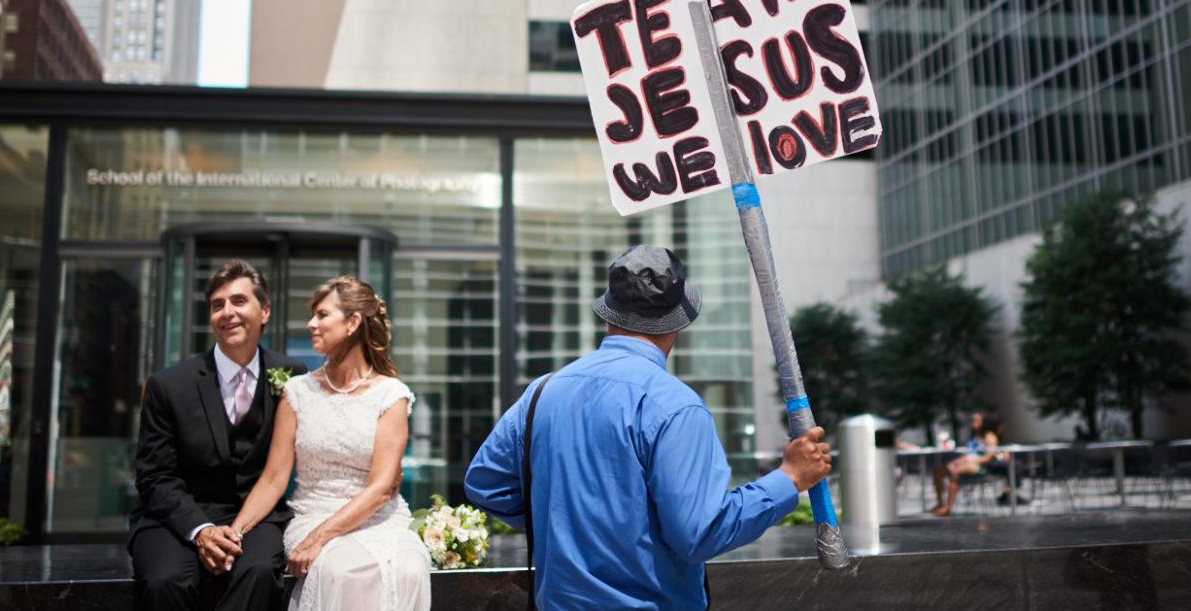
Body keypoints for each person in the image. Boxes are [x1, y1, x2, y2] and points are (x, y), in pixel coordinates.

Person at [464, 244, 832, 610]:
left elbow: (486, 484)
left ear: (608, 313)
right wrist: (789, 479)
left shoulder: (542, 392)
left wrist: (561, 521)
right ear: (678, 322)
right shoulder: (675, 406)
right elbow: (699, 532)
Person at [232, 275, 431, 611]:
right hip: (314, 513)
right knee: (344, 571)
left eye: (322, 315)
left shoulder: (391, 395)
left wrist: (320, 539)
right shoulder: (297, 392)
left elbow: (382, 487)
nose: (312, 324)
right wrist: (235, 532)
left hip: (381, 519)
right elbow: (273, 478)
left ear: (353, 322)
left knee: (410, 567)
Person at [130, 260, 308, 610]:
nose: (228, 312)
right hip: (176, 517)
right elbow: (154, 476)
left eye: (239, 301)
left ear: (265, 310)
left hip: (257, 515)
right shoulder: (168, 385)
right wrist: (201, 530)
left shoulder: (292, 375)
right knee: (165, 581)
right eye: (217, 305)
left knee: (258, 571)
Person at [930, 412, 1004, 517]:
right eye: (972, 421)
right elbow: (968, 453)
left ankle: (948, 507)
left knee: (955, 472)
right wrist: (959, 461)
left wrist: (970, 460)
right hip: (967, 463)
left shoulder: (990, 437)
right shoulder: (975, 437)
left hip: (981, 467)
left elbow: (989, 458)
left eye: (976, 421)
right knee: (938, 471)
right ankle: (940, 503)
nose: (973, 424)